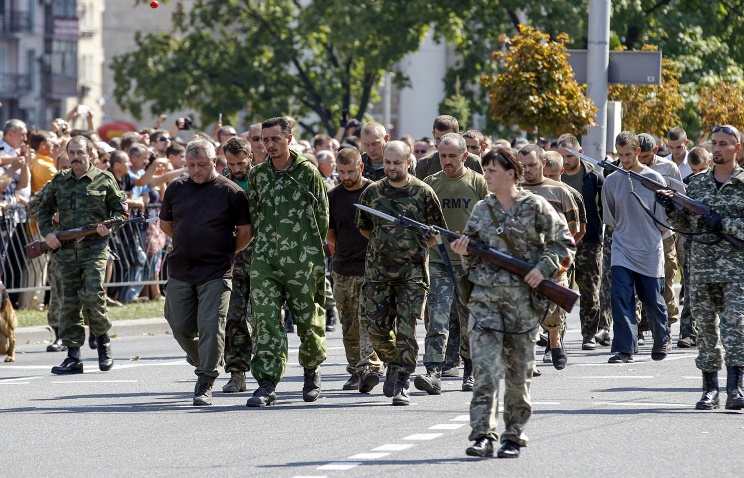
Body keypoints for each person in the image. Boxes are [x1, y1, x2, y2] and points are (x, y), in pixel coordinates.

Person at [451, 147, 574, 459]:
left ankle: (513, 436)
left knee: (518, 378)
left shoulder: (536, 206)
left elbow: (564, 243)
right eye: (485, 170)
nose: (486, 176)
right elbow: (470, 251)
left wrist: (541, 269)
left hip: (523, 307)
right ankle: (482, 435)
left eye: (491, 170)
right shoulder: (481, 209)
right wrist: (463, 250)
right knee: (485, 374)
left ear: (511, 173)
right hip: (484, 306)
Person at [160, 137, 252, 406]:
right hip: (181, 268)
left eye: (202, 164)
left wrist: (224, 252)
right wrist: (188, 240)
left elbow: (246, 233)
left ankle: (205, 381)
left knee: (212, 326)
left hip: (216, 271)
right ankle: (204, 357)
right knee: (179, 326)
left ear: (214, 162)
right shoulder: (176, 188)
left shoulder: (231, 192)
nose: (197, 170)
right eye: (191, 165)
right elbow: (166, 224)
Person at [659, 125, 744, 410]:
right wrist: (670, 208)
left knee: (736, 327)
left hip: (736, 270)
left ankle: (736, 388)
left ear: (737, 148)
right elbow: (686, 228)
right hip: (701, 269)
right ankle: (710, 389)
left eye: (724, 144)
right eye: (714, 144)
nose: (717, 148)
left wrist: (724, 224)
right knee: (706, 330)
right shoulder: (697, 184)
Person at [247, 116, 329, 407]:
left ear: (288, 138)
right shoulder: (258, 175)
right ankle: (267, 383)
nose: (268, 144)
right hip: (266, 259)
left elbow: (322, 216)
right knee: (265, 320)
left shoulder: (307, 172)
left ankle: (311, 370)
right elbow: (254, 214)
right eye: (263, 139)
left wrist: (312, 255)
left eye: (274, 139)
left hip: (302, 259)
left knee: (308, 319)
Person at [357, 140, 446, 406]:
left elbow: (436, 232)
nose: (392, 167)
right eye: (387, 162)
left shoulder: (423, 192)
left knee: (407, 329)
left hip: (412, 273)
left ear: (409, 162)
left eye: (397, 162)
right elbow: (364, 228)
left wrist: (412, 249)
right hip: (378, 273)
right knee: (377, 329)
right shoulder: (372, 192)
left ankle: (402, 381)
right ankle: (394, 365)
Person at [37, 136, 127, 374]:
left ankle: (103, 346)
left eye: (81, 152)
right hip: (66, 253)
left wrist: (109, 226)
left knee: (93, 295)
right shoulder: (59, 181)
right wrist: (48, 235)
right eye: (72, 152)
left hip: (95, 249)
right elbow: (43, 211)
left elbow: (121, 213)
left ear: (91, 155)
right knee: (69, 303)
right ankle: (73, 356)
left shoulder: (104, 179)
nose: (76, 157)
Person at [421, 132, 488, 393]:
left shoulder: (478, 183)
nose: (446, 161)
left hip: (470, 263)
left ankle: (470, 369)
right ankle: (433, 371)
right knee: (437, 319)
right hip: (438, 261)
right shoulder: (429, 184)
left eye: (452, 156)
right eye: (442, 155)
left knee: (468, 319)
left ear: (465, 156)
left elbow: (491, 221)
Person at [602, 131, 670, 364]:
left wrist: (649, 239)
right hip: (622, 248)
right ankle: (624, 348)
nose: (624, 159)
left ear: (638, 152)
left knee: (652, 299)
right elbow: (610, 218)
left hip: (649, 248)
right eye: (620, 155)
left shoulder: (654, 179)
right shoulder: (611, 181)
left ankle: (662, 338)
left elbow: (663, 222)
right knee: (620, 297)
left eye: (628, 154)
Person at [327, 148, 384, 392]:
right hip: (342, 268)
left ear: (361, 167)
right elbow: (330, 233)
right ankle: (356, 370)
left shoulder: (375, 191)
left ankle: (370, 368)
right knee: (348, 323)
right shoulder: (333, 196)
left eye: (351, 171)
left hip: (371, 268)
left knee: (368, 320)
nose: (346, 176)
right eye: (342, 172)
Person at [518, 145, 579, 369]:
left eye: (532, 165)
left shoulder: (560, 191)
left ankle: (554, 341)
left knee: (552, 312)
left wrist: (562, 256)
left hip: (553, 261)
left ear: (543, 164)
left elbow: (574, 228)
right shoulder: (514, 191)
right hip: (523, 261)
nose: (527, 170)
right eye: (522, 166)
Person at [556, 134, 604, 350]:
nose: (565, 162)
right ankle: (556, 336)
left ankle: (589, 334)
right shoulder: (555, 177)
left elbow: (603, 208)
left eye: (569, 156)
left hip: (589, 240)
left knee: (589, 288)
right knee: (561, 289)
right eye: (561, 157)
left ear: (580, 153)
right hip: (561, 241)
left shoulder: (594, 177)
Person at [220, 136, 255, 393]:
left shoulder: (262, 179)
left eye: (241, 163)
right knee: (233, 318)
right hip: (233, 260)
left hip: (262, 259)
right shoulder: (220, 180)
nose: (236, 168)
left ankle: (268, 373)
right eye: (232, 163)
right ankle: (237, 373)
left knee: (267, 319)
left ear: (250, 157)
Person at [414, 115, 483, 180]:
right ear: (434, 134)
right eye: (439, 139)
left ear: (458, 136)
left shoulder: (473, 161)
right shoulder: (424, 164)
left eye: (448, 139)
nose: (443, 143)